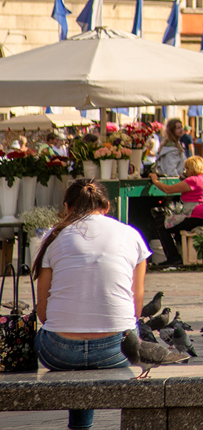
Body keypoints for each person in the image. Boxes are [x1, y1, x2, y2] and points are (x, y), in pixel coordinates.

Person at [34, 179, 149, 430]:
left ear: (67, 208)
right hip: (117, 349)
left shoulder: (53, 238)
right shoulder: (131, 235)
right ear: (106, 206)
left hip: (58, 351)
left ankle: (80, 426)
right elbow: (135, 309)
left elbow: (42, 312)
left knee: (67, 344)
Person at [146, 155, 203, 269]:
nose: (185, 171)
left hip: (194, 215)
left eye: (187, 169)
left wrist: (155, 180)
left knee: (161, 223)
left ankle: (173, 257)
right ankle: (180, 253)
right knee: (174, 223)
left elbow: (168, 189)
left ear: (192, 169)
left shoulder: (192, 180)